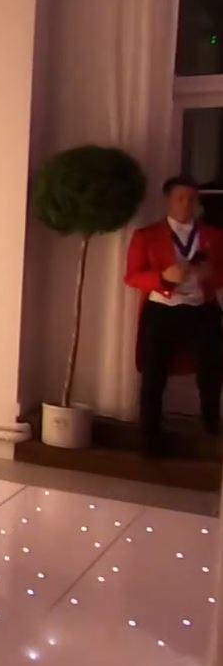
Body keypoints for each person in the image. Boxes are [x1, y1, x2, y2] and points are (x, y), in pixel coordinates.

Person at [125, 176, 223, 458]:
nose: (186, 204)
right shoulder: (146, 235)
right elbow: (132, 276)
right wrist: (163, 277)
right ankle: (149, 440)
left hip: (202, 310)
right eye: (180, 198)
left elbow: (221, 274)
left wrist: (211, 275)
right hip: (162, 311)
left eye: (191, 199)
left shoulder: (214, 235)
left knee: (212, 372)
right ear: (168, 200)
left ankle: (211, 429)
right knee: (153, 376)